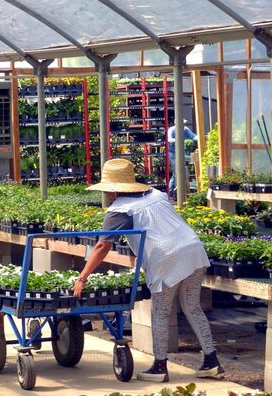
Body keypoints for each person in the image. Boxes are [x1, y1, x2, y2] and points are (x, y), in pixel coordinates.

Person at [72, 158, 222, 382]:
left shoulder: (118, 210)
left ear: (112, 189)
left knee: (161, 311)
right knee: (192, 307)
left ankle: (160, 366)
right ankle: (211, 362)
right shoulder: (156, 194)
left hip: (167, 258)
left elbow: (103, 245)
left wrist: (82, 278)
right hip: (193, 250)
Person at [168, 119, 198, 197]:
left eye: (185, 123)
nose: (184, 125)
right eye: (183, 123)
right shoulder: (172, 130)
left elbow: (193, 136)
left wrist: (200, 138)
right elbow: (169, 139)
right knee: (176, 172)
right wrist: (178, 140)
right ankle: (171, 191)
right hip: (173, 153)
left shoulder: (185, 129)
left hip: (182, 152)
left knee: (182, 171)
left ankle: (178, 190)